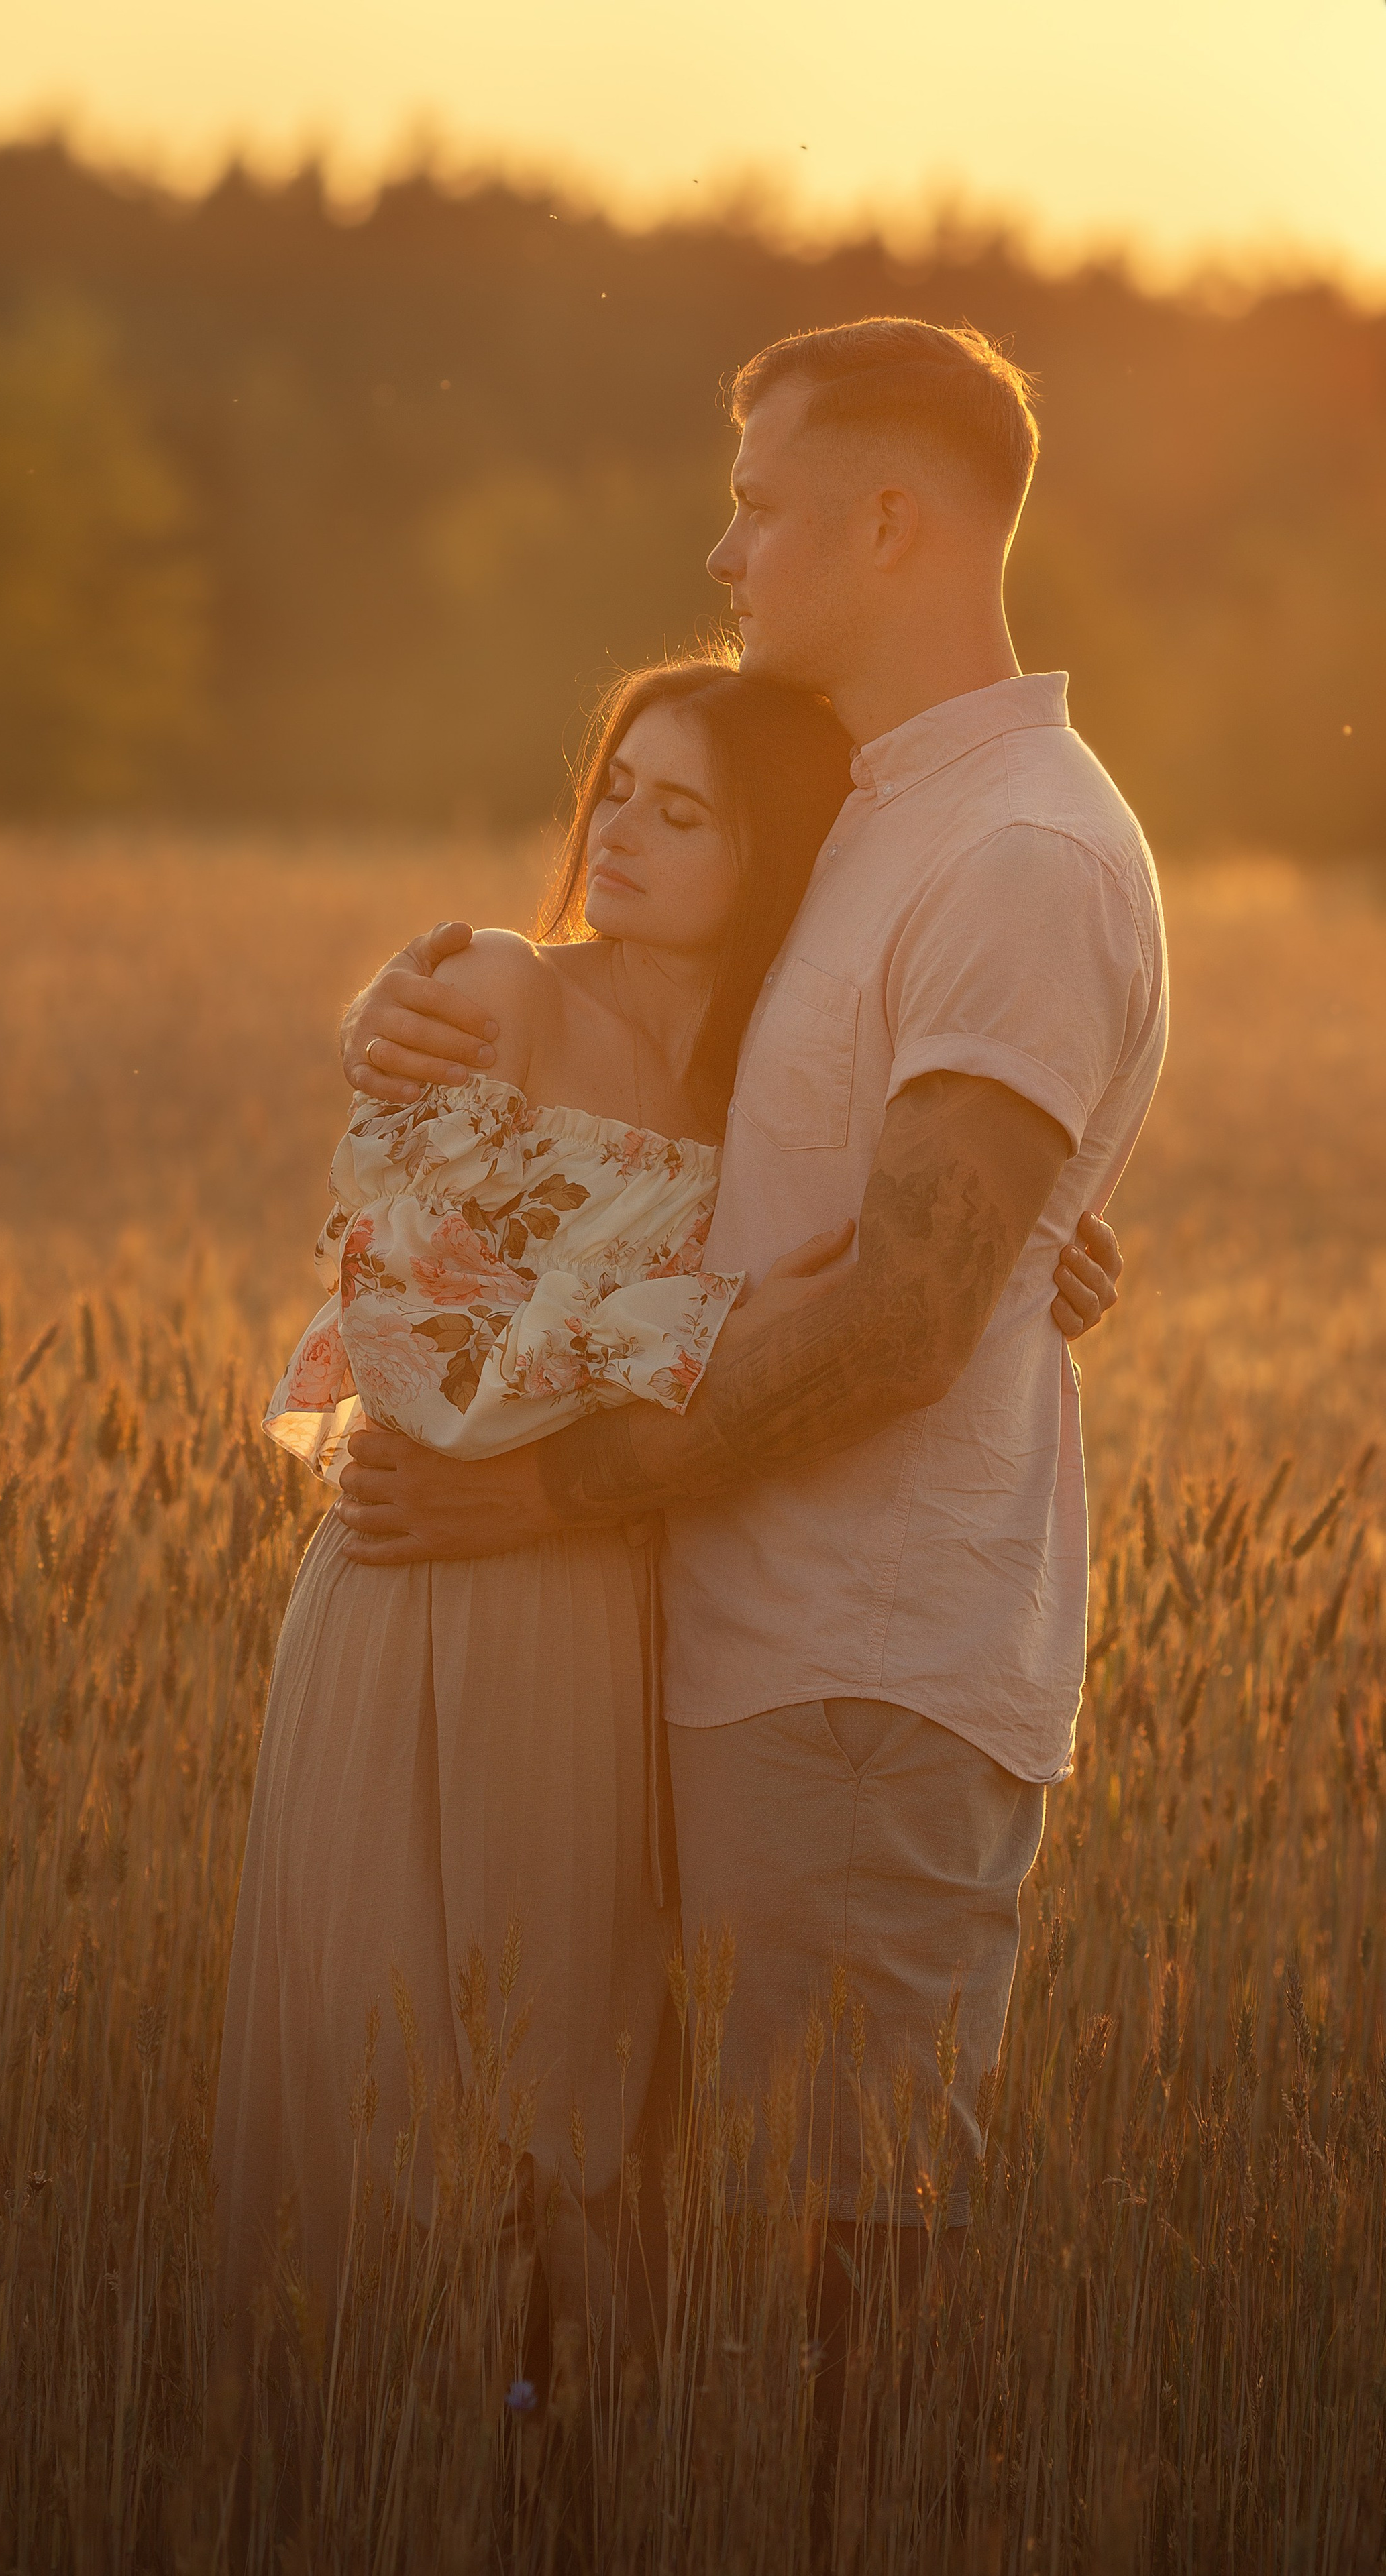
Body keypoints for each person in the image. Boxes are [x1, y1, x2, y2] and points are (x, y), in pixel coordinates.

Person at [334, 318, 1168, 2286]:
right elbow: (758, 1130)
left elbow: (899, 1318)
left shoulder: (1020, 850)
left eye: (761, 507)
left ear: (891, 524)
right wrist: (424, 1006)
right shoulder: (888, 817)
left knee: (826, 2281)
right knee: (675, 2269)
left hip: (860, 1675)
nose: (722, 556)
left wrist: (543, 1494)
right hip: (737, 1636)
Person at [213, 651, 1122, 2347]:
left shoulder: (774, 1085)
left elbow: (921, 1238)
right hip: (442, 1588)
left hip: (632, 1601)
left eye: (680, 808)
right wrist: (773, 1318)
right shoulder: (489, 989)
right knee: (394, 2078)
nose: (618, 829)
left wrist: (1026, 1253)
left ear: (771, 855)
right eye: (614, 787)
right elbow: (427, 1345)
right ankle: (357, 2464)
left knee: (581, 2097)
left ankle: (542, 2461)